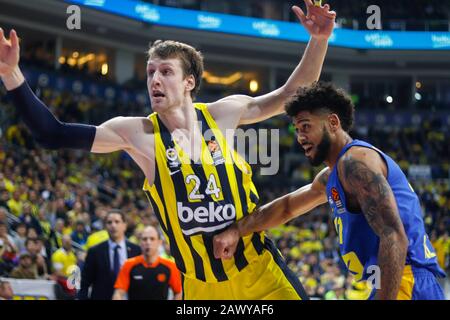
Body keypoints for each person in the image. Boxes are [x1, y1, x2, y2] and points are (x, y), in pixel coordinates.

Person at [0, 0, 336, 299]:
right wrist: (12, 74)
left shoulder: (223, 114)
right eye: (150, 73)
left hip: (260, 271)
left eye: (165, 72)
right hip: (201, 285)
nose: (154, 80)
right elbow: (52, 134)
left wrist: (318, 40)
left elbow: (292, 94)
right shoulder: (137, 133)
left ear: (189, 82)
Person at [213, 82, 447, 300]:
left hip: (406, 282)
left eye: (306, 126)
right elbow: (286, 208)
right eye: (296, 129)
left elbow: (394, 236)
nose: (300, 137)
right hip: (394, 282)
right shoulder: (332, 176)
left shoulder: (355, 163)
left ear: (333, 123)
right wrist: (237, 229)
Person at [78, 210, 141, 300]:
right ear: (105, 226)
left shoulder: (136, 250)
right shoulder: (95, 251)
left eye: (117, 222)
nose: (113, 225)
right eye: (109, 222)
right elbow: (85, 282)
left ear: (124, 225)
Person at [113, 225, 182, 300]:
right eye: (144, 239)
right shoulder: (129, 264)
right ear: (140, 242)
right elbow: (119, 292)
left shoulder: (170, 266)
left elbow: (179, 292)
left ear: (159, 242)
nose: (148, 242)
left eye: (152, 239)